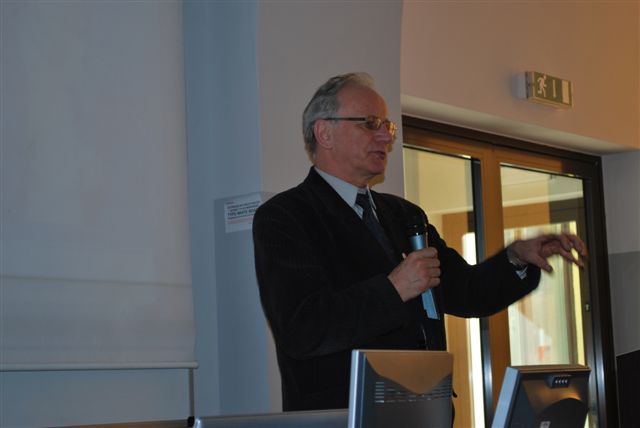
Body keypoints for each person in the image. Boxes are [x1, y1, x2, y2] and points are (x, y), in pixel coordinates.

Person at [252, 72, 587, 412]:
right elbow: (302, 329)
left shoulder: (403, 214)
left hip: (426, 410)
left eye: (387, 126)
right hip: (345, 414)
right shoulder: (285, 217)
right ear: (324, 133)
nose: (386, 136)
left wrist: (516, 258)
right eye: (370, 124)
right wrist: (393, 288)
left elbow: (468, 292)